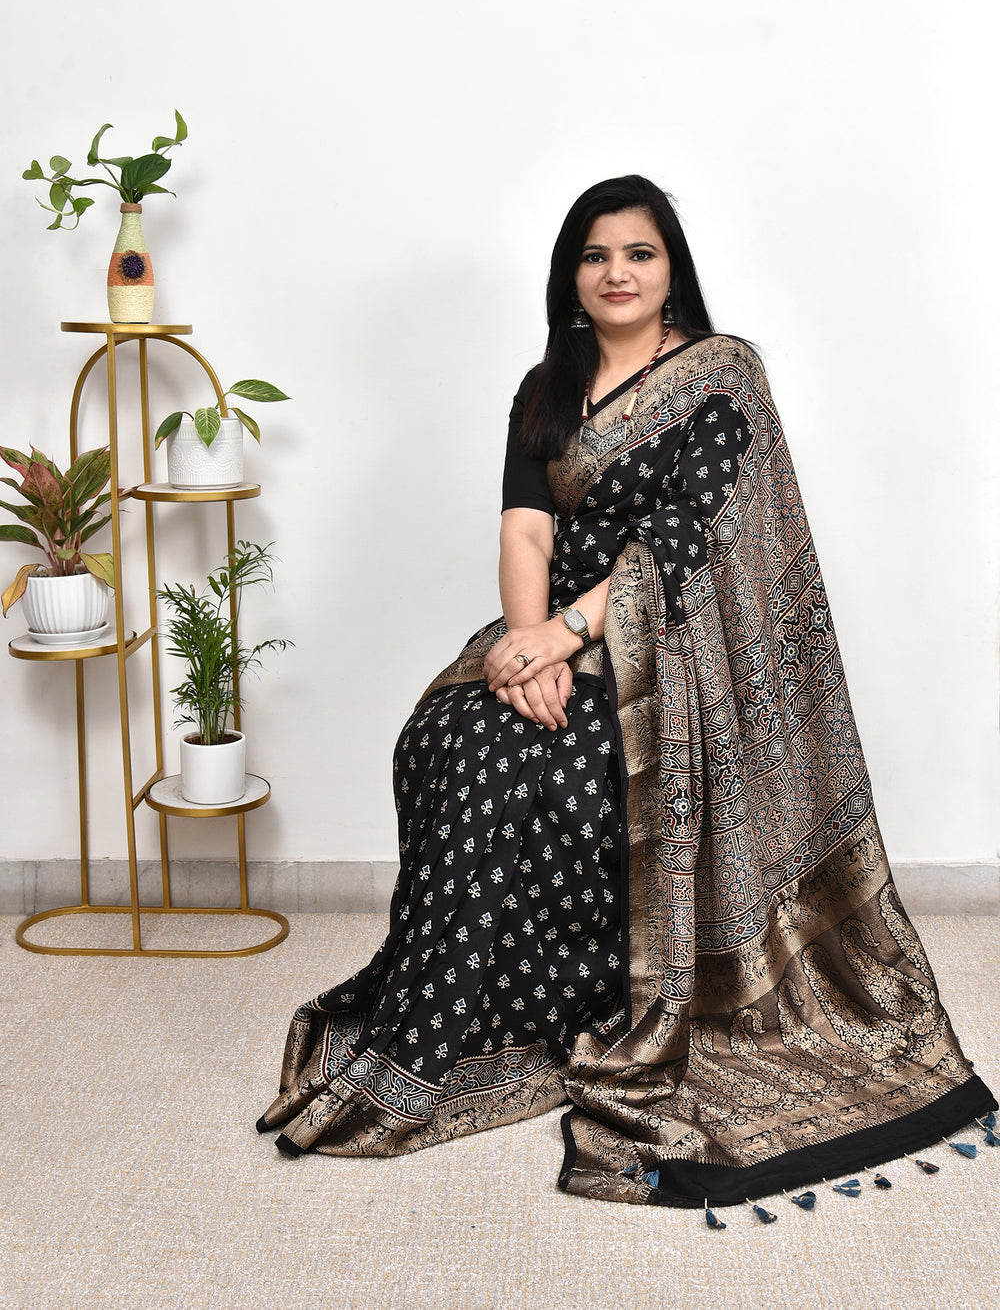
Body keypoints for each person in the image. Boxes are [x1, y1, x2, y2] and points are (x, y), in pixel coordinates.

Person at [257, 175, 995, 1209]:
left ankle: (591, 993)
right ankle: (458, 1021)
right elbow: (526, 528)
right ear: (570, 274)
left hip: (673, 656)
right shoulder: (545, 387)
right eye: (595, 255)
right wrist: (529, 645)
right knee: (447, 735)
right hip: (548, 636)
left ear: (670, 267)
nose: (617, 273)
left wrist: (567, 632)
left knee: (536, 761)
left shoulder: (720, 377)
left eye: (638, 253)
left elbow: (684, 542)